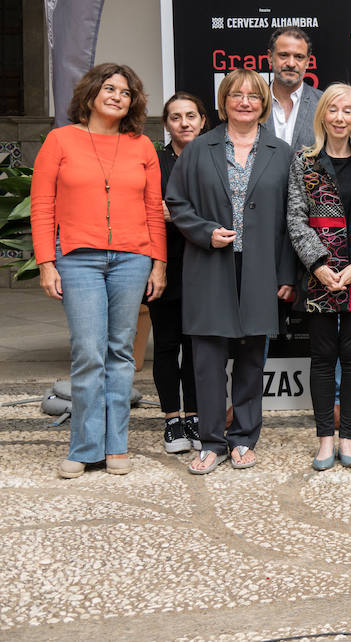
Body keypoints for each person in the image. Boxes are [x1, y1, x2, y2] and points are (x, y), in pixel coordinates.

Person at [33, 64, 167, 479]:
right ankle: (85, 446)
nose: (117, 96)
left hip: (132, 258)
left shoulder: (142, 146)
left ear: (133, 102)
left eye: (125, 92)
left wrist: (158, 263)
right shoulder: (60, 141)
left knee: (121, 352)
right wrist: (46, 263)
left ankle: (116, 446)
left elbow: (153, 210)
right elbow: (42, 206)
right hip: (78, 259)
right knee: (88, 352)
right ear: (91, 93)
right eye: (109, 88)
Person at [167, 69, 297, 475]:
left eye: (253, 95)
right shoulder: (198, 149)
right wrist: (205, 232)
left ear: (263, 104)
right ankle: (210, 442)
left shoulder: (282, 151)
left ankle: (243, 439)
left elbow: (293, 219)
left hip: (260, 269)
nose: (244, 101)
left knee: (251, 360)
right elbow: (176, 202)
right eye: (236, 95)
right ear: (223, 103)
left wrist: (287, 274)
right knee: (205, 360)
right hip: (210, 265)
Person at [287, 84, 351, 470]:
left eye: (348, 111)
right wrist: (318, 266)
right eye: (333, 110)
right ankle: (325, 441)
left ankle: (348, 437)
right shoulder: (303, 162)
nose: (340, 118)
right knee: (321, 358)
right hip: (318, 276)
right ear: (322, 116)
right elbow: (295, 219)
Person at [149, 92, 208, 454]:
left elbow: (223, 211)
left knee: (197, 345)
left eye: (191, 115)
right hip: (162, 264)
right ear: (166, 123)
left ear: (203, 120)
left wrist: (178, 214)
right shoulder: (154, 162)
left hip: (205, 266)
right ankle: (173, 420)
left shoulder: (216, 157)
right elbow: (150, 212)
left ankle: (195, 415)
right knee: (167, 344)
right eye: (175, 117)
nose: (184, 123)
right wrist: (192, 216)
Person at [268, 25, 322, 150]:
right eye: (284, 55)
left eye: (299, 57)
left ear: (308, 61)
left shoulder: (323, 104)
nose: (291, 64)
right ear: (270, 57)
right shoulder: (252, 104)